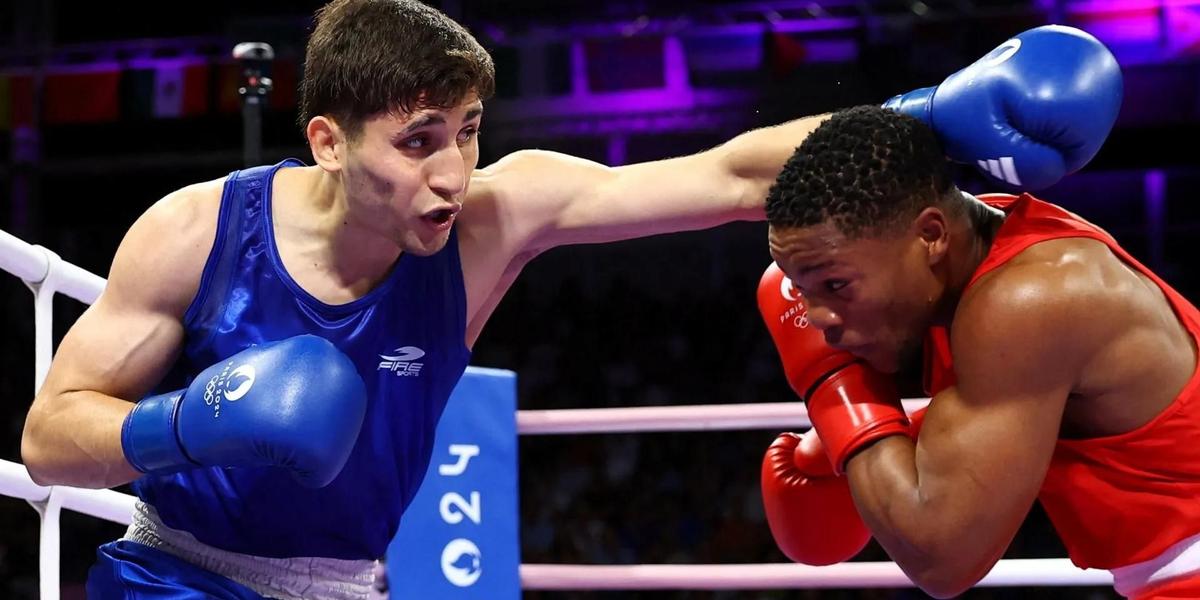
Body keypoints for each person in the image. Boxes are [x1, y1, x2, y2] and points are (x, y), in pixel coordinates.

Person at [19, 0, 832, 598]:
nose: (453, 171)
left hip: (340, 585)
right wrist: (190, 425)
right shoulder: (197, 230)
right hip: (173, 570)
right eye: (418, 140)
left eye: (468, 130)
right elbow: (47, 438)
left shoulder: (494, 220)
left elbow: (732, 176)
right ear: (329, 142)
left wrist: (921, 129)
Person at [756, 26, 1200, 600]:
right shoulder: (976, 244)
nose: (814, 315)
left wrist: (833, 386)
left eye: (836, 284)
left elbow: (942, 560)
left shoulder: (1029, 297)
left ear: (931, 236)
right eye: (801, 285)